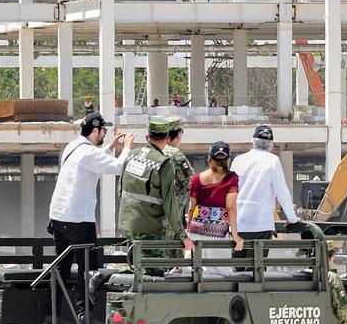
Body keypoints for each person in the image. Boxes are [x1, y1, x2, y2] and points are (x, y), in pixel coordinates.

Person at [48, 111, 134, 295]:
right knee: (87, 270)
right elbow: (119, 167)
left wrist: (111, 147)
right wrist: (126, 147)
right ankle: (83, 314)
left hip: (58, 216)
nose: (105, 134)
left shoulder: (73, 147)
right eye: (103, 130)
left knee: (61, 268)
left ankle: (50, 313)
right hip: (79, 220)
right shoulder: (89, 153)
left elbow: (92, 159)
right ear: (95, 130)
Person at [118, 116, 193, 259]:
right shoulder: (166, 161)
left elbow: (121, 190)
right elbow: (172, 200)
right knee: (157, 273)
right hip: (156, 225)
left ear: (147, 137)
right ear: (167, 138)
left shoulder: (132, 155)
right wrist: (183, 234)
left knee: (136, 267)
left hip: (129, 223)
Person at [230, 125, 299, 251]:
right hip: (262, 224)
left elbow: (228, 193)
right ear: (271, 144)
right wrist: (292, 218)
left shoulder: (238, 161)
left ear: (252, 141)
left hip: (239, 223)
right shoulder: (273, 161)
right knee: (259, 266)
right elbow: (282, 193)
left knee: (238, 267)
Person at [187, 141, 242, 272]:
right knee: (220, 272)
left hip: (196, 231)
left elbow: (191, 208)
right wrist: (235, 236)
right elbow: (231, 208)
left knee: (196, 271)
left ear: (210, 159)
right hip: (218, 232)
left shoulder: (196, 179)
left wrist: (188, 231)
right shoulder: (231, 179)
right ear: (228, 160)